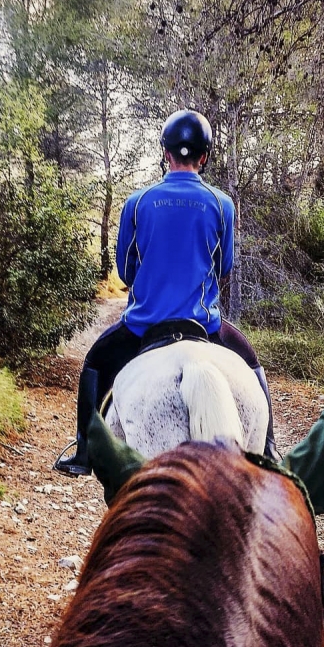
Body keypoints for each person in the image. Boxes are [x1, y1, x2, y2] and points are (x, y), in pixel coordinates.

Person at [54, 109, 277, 476]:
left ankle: (83, 451)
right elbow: (223, 267)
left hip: (144, 324)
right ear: (204, 157)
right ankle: (268, 448)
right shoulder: (222, 204)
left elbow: (125, 271)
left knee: (94, 361)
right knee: (251, 366)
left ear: (165, 152)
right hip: (204, 325)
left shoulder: (138, 202)